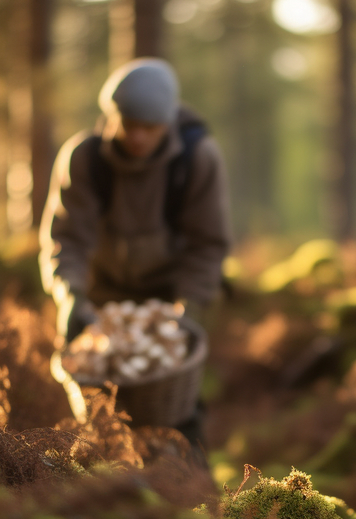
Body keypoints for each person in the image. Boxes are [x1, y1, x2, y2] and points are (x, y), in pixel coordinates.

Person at [39, 58, 232, 448]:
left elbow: (207, 245)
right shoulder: (85, 159)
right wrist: (70, 296)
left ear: (169, 122)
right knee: (104, 412)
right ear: (113, 116)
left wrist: (188, 308)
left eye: (151, 128)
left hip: (168, 301)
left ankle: (188, 488)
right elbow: (66, 239)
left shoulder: (196, 160)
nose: (139, 137)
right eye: (130, 125)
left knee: (178, 411)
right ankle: (105, 485)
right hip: (103, 302)